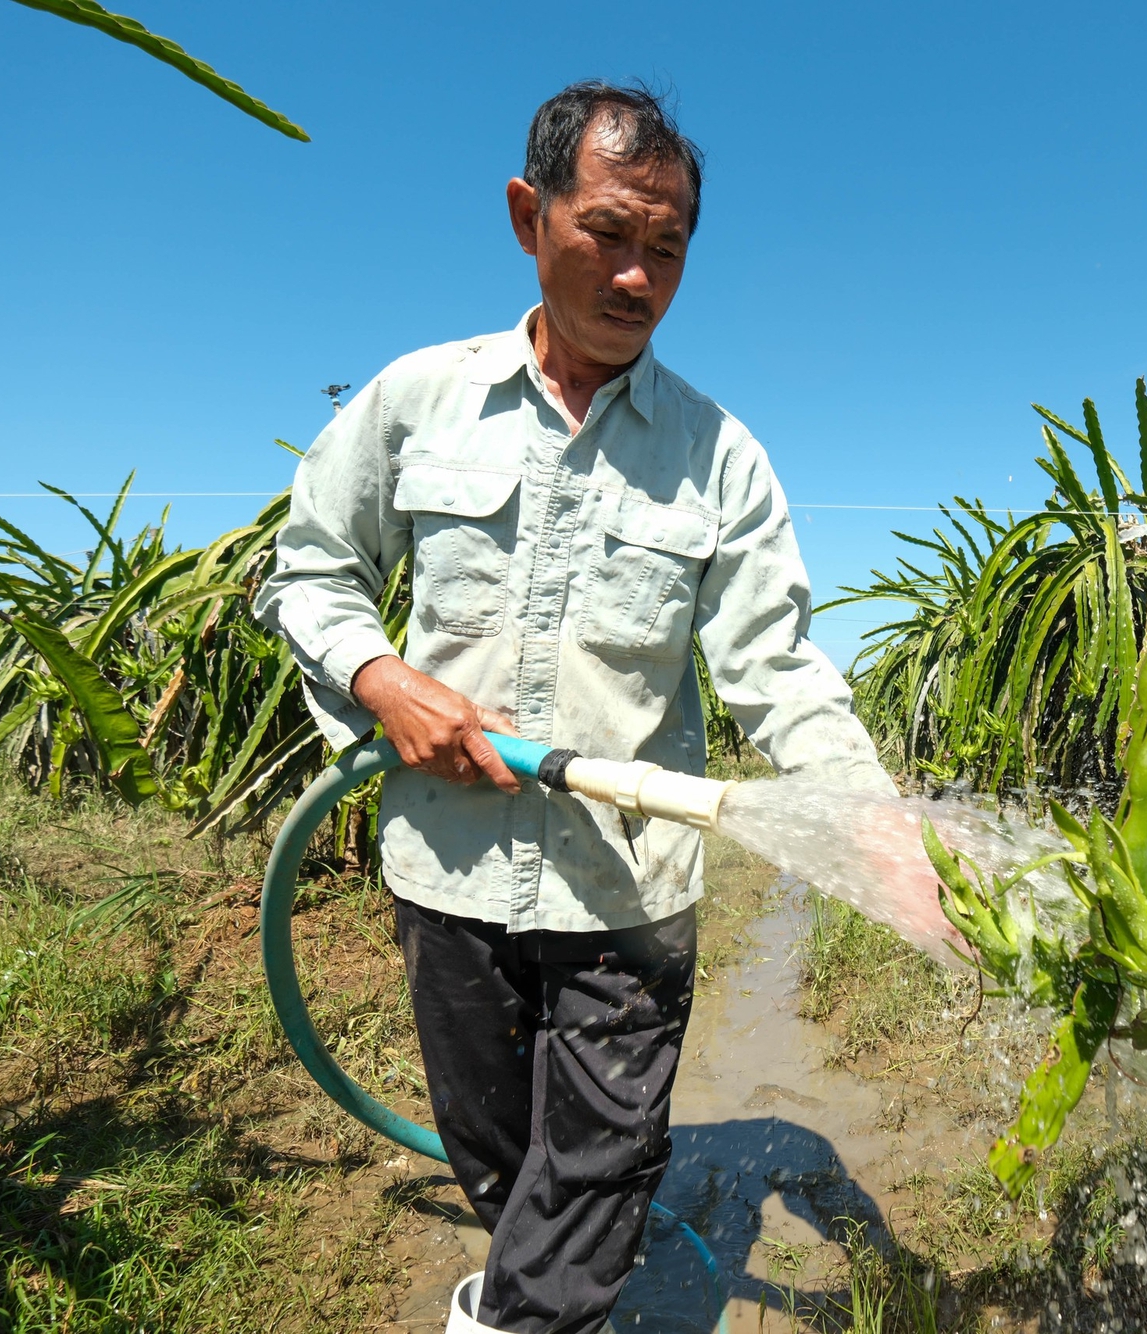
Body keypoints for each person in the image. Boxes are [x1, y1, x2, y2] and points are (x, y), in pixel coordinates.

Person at [256, 82, 893, 1334]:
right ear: (528, 215)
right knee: (499, 1157)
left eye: (667, 248)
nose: (638, 277)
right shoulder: (415, 401)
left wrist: (867, 814)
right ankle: (524, 1279)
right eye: (608, 232)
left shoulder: (720, 457)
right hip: (448, 870)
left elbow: (779, 664)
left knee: (596, 1169)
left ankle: (515, 1315)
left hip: (628, 895)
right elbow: (311, 567)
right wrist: (382, 681)